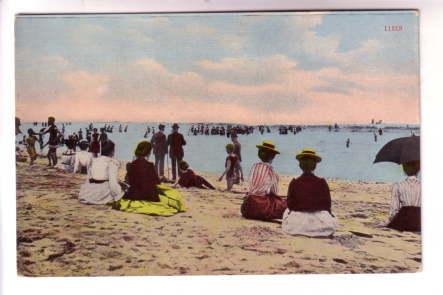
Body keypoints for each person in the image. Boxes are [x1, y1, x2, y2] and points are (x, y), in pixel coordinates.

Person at [112, 141, 186, 216]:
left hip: (134, 195)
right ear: (148, 153)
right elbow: (157, 182)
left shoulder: (131, 165)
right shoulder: (150, 165)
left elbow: (128, 181)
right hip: (149, 195)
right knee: (170, 195)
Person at [282, 148, 338, 237]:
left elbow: (290, 205)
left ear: (300, 165)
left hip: (297, 223)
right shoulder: (322, 182)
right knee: (333, 216)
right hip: (319, 221)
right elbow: (327, 205)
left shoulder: (294, 182)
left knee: (286, 212)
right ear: (315, 165)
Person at [240, 140, 286, 221]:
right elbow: (274, 192)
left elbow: (251, 184)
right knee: (280, 203)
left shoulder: (254, 166)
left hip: (248, 205)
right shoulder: (271, 171)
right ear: (272, 156)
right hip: (261, 206)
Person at [78, 140, 124, 204]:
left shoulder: (94, 160)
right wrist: (118, 194)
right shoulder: (112, 162)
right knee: (122, 191)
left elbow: (89, 178)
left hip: (89, 190)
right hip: (102, 191)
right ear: (112, 152)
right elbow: (113, 184)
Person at [387, 160, 421, 232]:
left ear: (404, 169)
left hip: (403, 217)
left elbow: (394, 208)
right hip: (419, 218)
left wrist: (392, 220)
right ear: (419, 169)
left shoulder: (398, 186)